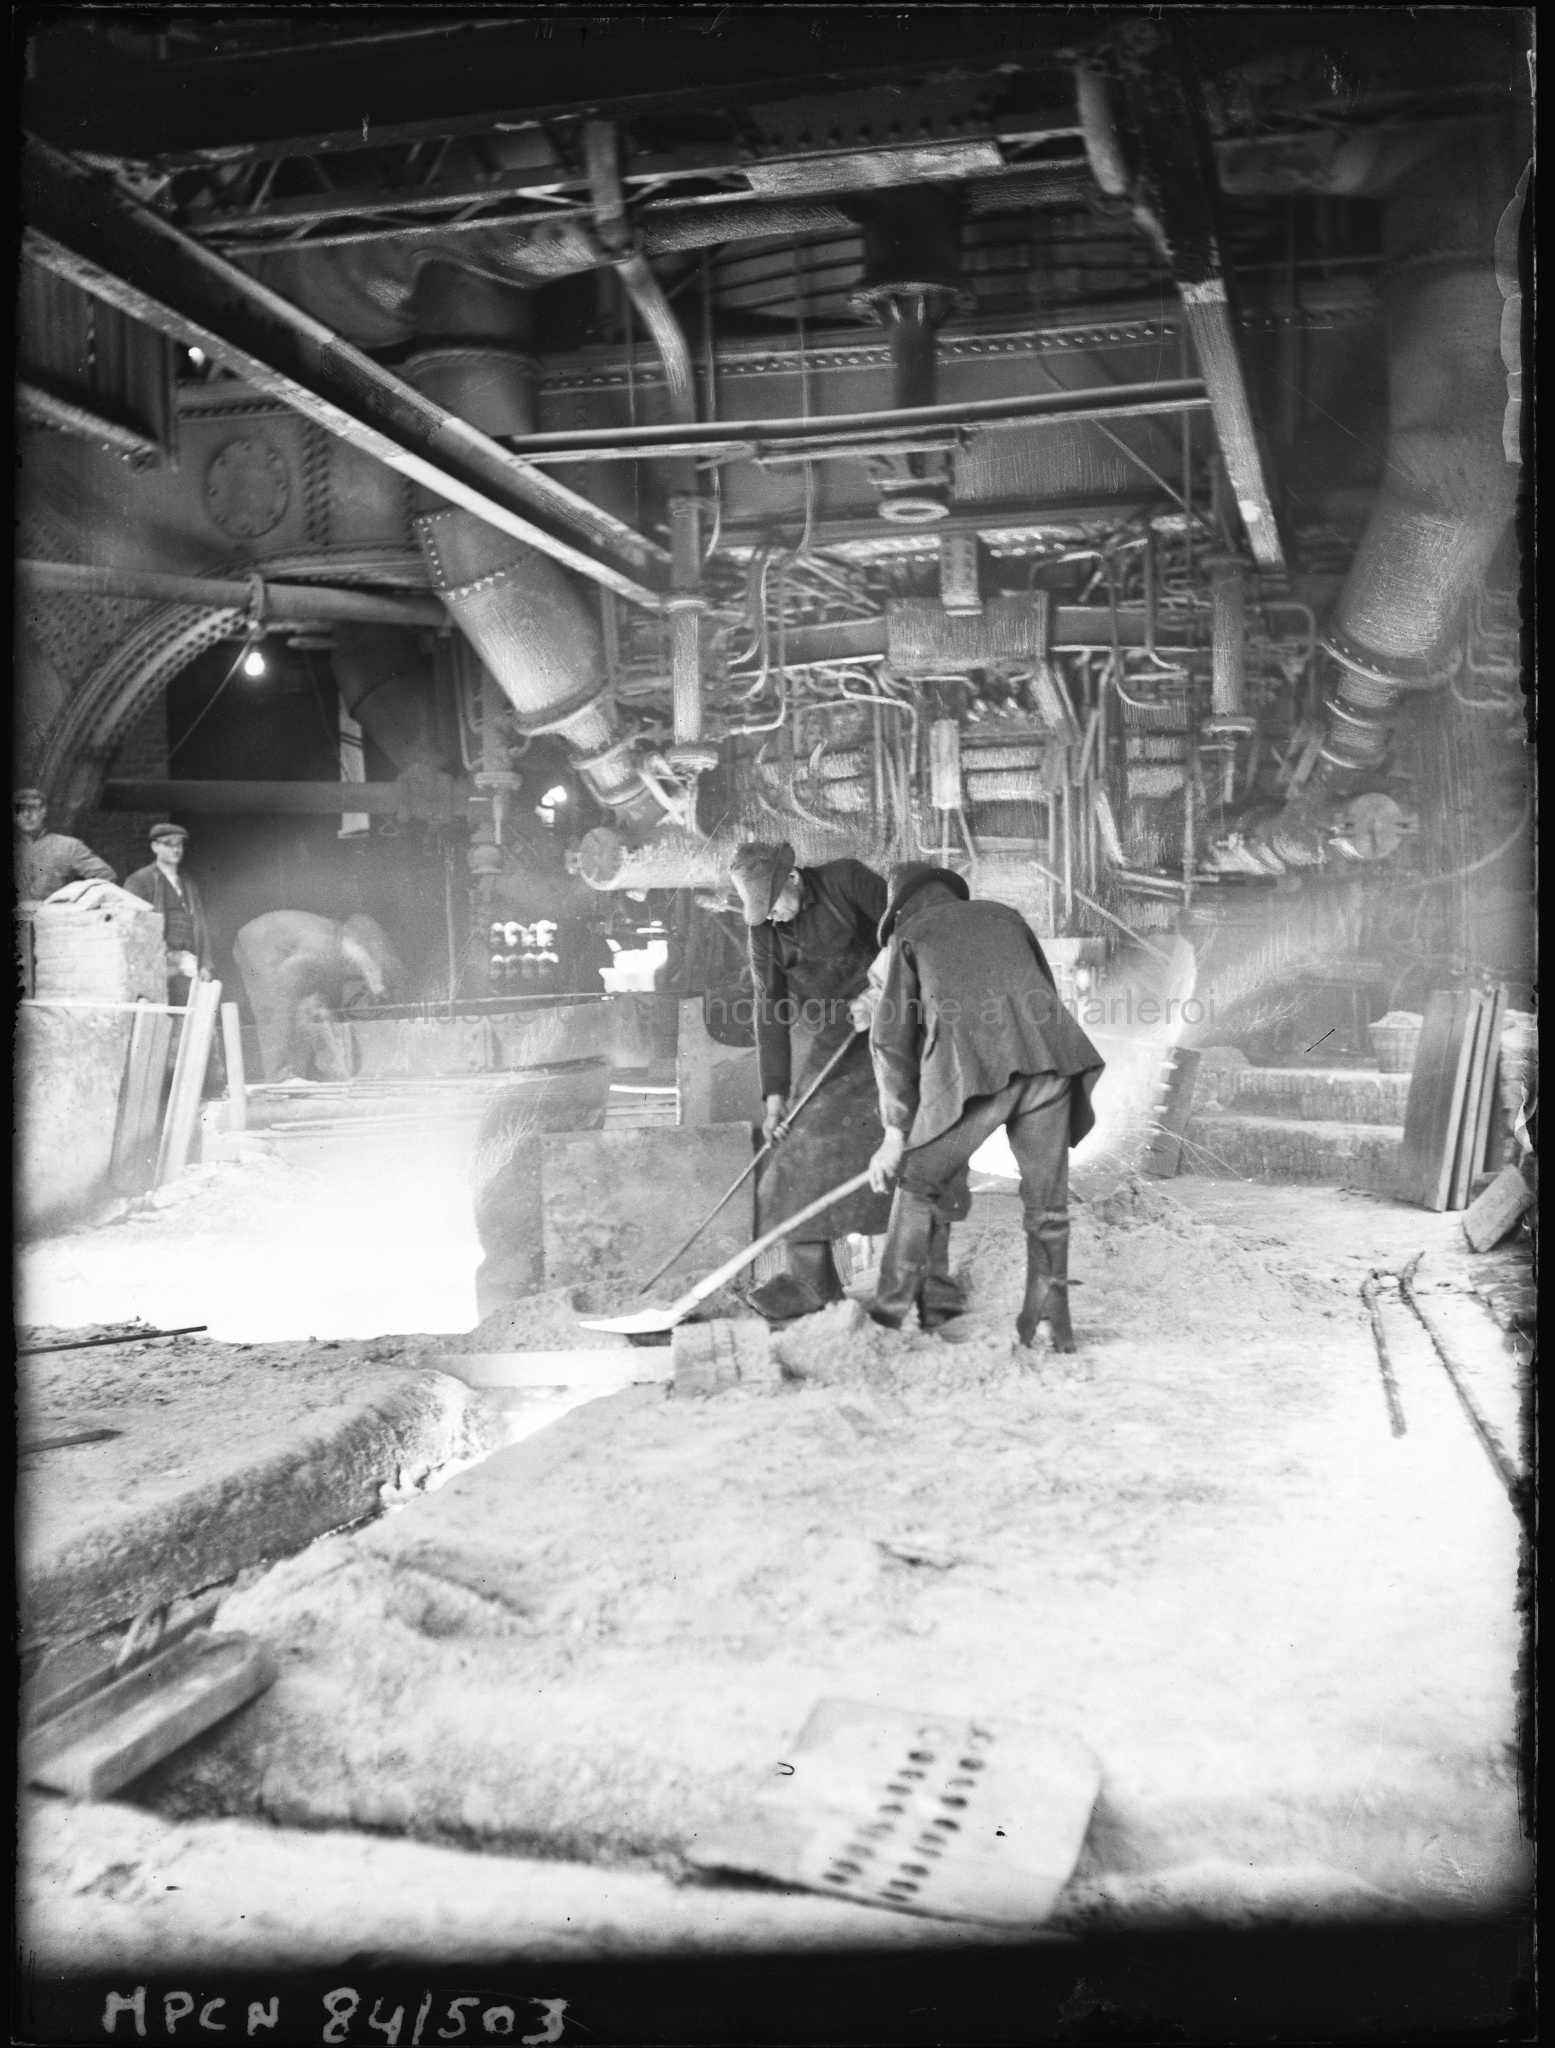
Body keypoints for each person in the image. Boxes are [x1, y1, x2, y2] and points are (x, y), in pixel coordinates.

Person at [865, 863, 1106, 1348]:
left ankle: (889, 1319)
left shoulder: (909, 936)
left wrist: (895, 1134)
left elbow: (890, 1045)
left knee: (915, 1182)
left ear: (902, 909)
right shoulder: (1004, 917)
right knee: (1047, 1206)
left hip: (977, 1074)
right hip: (1051, 1063)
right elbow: (1041, 991)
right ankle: (1051, 1316)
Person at [124, 822, 214, 1003]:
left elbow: (200, 926)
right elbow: (131, 927)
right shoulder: (140, 881)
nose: (175, 849)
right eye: (168, 844)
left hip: (188, 965)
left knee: (189, 1016)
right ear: (155, 846)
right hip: (159, 965)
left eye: (179, 844)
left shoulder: (187, 882)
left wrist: (206, 964)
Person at [13, 787, 115, 903]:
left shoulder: (68, 846)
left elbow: (107, 876)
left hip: (49, 916)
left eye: (32, 809)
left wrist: (75, 902)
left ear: (43, 811)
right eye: (20, 810)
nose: (26, 814)